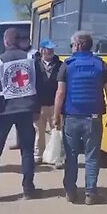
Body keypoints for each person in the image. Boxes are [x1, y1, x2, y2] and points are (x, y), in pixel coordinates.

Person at [53, 31, 107, 205]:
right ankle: (90, 194)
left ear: (79, 45)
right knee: (92, 156)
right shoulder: (100, 64)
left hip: (72, 117)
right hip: (94, 117)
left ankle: (71, 192)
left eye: (72, 45)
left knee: (71, 155)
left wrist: (56, 116)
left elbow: (60, 93)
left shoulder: (67, 65)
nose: (72, 48)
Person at [0, 27, 42, 200]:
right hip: (26, 110)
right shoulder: (31, 58)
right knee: (27, 151)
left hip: (4, 111)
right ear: (19, 40)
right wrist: (36, 109)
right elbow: (39, 86)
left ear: (6, 41)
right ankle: (28, 189)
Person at [33, 39, 63, 167]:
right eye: (48, 49)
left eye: (52, 49)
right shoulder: (34, 64)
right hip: (39, 104)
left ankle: (57, 158)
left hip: (55, 105)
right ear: (42, 50)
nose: (50, 51)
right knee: (39, 132)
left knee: (56, 131)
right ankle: (38, 155)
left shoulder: (60, 65)